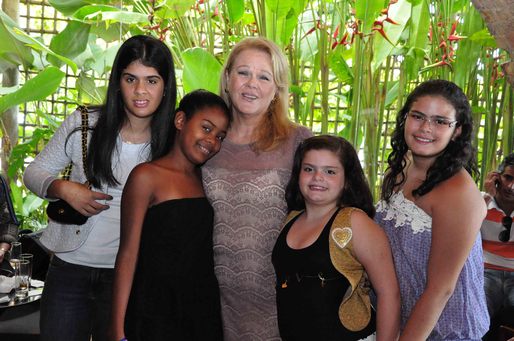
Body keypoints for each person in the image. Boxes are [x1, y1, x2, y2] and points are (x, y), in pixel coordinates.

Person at [23, 34, 176, 341]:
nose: (140, 91)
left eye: (152, 80)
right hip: (69, 270)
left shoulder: (174, 141)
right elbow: (34, 173)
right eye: (130, 78)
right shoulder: (85, 123)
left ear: (165, 86)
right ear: (117, 82)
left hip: (131, 279)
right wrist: (63, 188)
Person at [202, 37, 312, 340]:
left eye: (264, 77)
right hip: (213, 299)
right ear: (227, 78)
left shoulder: (298, 142)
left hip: (281, 299)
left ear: (276, 89)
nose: (252, 84)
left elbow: (333, 213)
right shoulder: (205, 142)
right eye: (243, 73)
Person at [110, 89, 230, 341]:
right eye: (206, 128)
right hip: (153, 313)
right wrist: (117, 330)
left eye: (220, 136)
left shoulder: (204, 179)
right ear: (180, 121)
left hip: (201, 313)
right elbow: (127, 254)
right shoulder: (146, 176)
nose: (212, 141)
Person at [375, 79, 489, 340]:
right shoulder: (400, 168)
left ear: (457, 130)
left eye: (440, 121)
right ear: (405, 118)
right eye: (418, 116)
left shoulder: (458, 193)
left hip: (444, 330)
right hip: (401, 316)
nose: (425, 128)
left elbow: (441, 290)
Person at [272, 135, 400, 341]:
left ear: (347, 180)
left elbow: (389, 295)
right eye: (309, 169)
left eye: (330, 171)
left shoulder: (356, 222)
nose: (317, 177)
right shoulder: (291, 219)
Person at [481, 152, 514, 339]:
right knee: (475, 312)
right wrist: (487, 197)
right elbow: (464, 232)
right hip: (485, 271)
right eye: (508, 177)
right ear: (497, 177)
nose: (510, 186)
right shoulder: (479, 201)